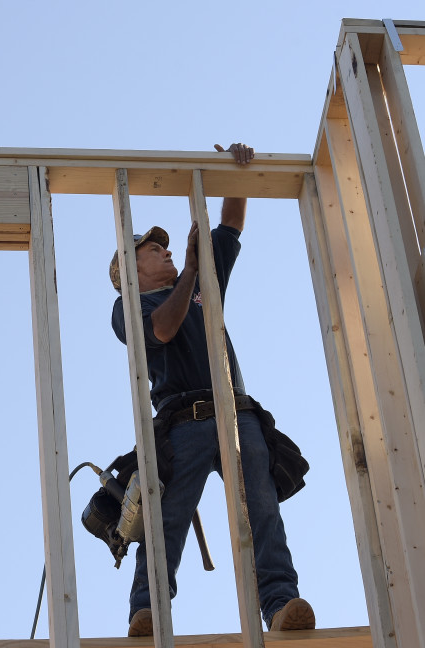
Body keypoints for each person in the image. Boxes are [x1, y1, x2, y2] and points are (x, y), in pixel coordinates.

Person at [109, 143, 314, 636]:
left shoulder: (201, 283)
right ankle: (149, 610)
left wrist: (235, 172)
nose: (167, 252)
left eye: (167, 247)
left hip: (235, 413)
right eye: (154, 250)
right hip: (182, 422)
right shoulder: (130, 308)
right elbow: (162, 329)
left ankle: (280, 605)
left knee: (262, 509)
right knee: (167, 521)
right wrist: (195, 273)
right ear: (130, 271)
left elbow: (231, 223)